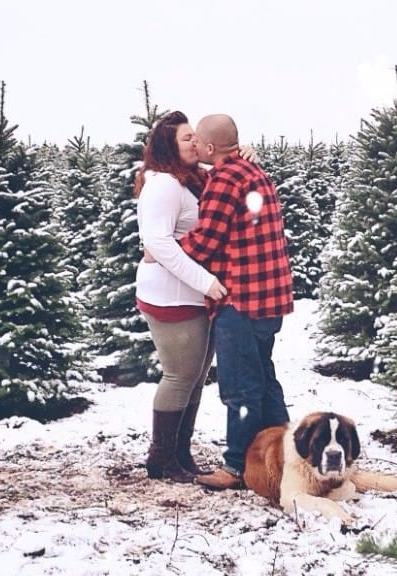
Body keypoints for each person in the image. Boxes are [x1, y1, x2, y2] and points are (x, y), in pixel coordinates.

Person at [178, 114, 295, 490]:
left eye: (197, 140)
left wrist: (163, 250)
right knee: (263, 376)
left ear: (211, 148)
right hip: (270, 299)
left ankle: (236, 467)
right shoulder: (252, 173)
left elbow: (206, 242)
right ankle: (285, 452)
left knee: (240, 386)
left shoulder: (224, 180)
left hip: (242, 300)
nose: (193, 145)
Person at [134, 111, 227, 484]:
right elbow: (159, 243)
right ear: (168, 147)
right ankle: (161, 459)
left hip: (192, 295)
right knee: (180, 375)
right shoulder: (164, 185)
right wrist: (206, 282)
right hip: (172, 297)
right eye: (186, 138)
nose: (195, 141)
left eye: (195, 137)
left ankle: (180, 452)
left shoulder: (190, 180)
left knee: (195, 376)